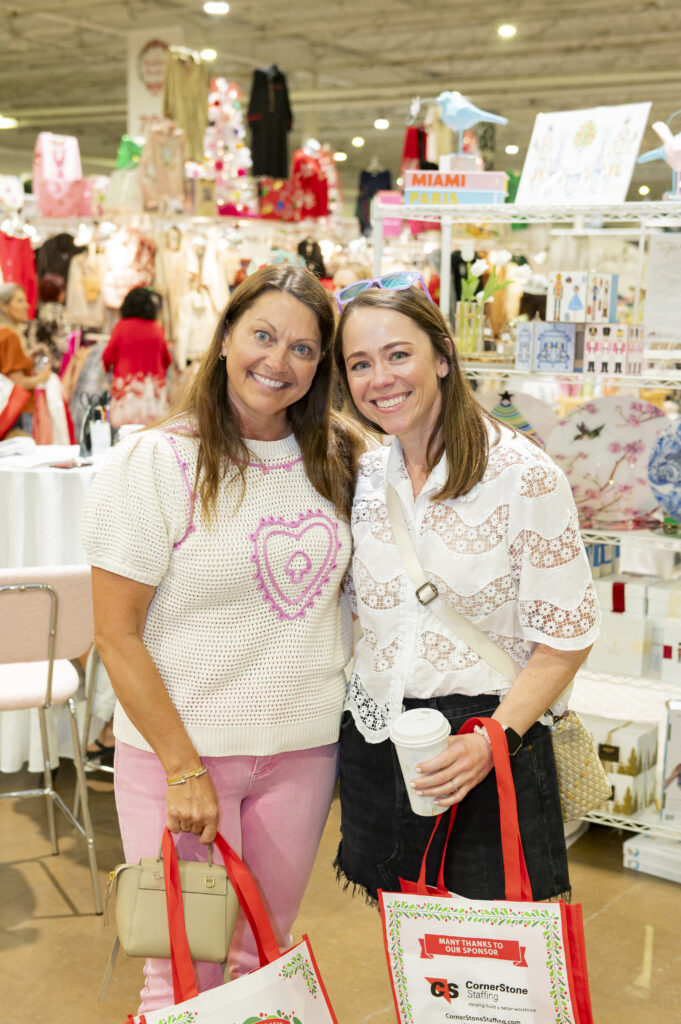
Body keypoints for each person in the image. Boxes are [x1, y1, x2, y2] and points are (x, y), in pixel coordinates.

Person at [81, 265, 362, 1014]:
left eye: (303, 349)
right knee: (180, 971)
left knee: (259, 959)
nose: (278, 362)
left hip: (302, 749)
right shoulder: (155, 462)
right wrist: (181, 768)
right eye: (262, 336)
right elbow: (115, 633)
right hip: (182, 754)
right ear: (226, 337)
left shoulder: (339, 458)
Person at [333, 281, 600, 903]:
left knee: (495, 974)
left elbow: (566, 638)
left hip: (486, 740)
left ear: (443, 357)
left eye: (399, 355)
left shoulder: (522, 476)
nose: (381, 379)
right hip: (378, 740)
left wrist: (491, 740)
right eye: (360, 364)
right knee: (409, 954)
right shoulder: (365, 474)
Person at [100, 286, 172, 428]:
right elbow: (167, 360)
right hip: (153, 398)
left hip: (127, 395)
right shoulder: (157, 329)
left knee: (123, 436)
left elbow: (107, 357)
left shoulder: (121, 327)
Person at [0, 282, 50, 434]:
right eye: (19, 301)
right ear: (4, 306)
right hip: (17, 411)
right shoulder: (10, 336)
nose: (27, 306)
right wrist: (42, 377)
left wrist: (27, 357)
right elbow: (18, 382)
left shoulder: (4, 333)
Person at [27, 274, 71, 373]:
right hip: (54, 361)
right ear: (56, 293)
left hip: (37, 357)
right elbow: (64, 340)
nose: (64, 294)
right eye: (62, 290)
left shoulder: (38, 310)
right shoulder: (61, 313)